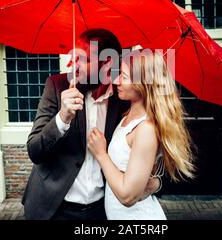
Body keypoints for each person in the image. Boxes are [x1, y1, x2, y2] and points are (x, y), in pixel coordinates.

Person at [22, 29, 161, 220]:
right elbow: (34, 151)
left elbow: (154, 156)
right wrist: (62, 118)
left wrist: (156, 183)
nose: (73, 65)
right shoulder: (57, 86)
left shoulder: (125, 98)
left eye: (83, 60)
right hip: (53, 208)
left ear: (107, 63)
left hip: (102, 211)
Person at [87, 49, 195, 220]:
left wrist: (101, 154)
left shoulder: (146, 129)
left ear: (143, 83)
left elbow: (127, 196)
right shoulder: (127, 112)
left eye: (123, 76)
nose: (116, 81)